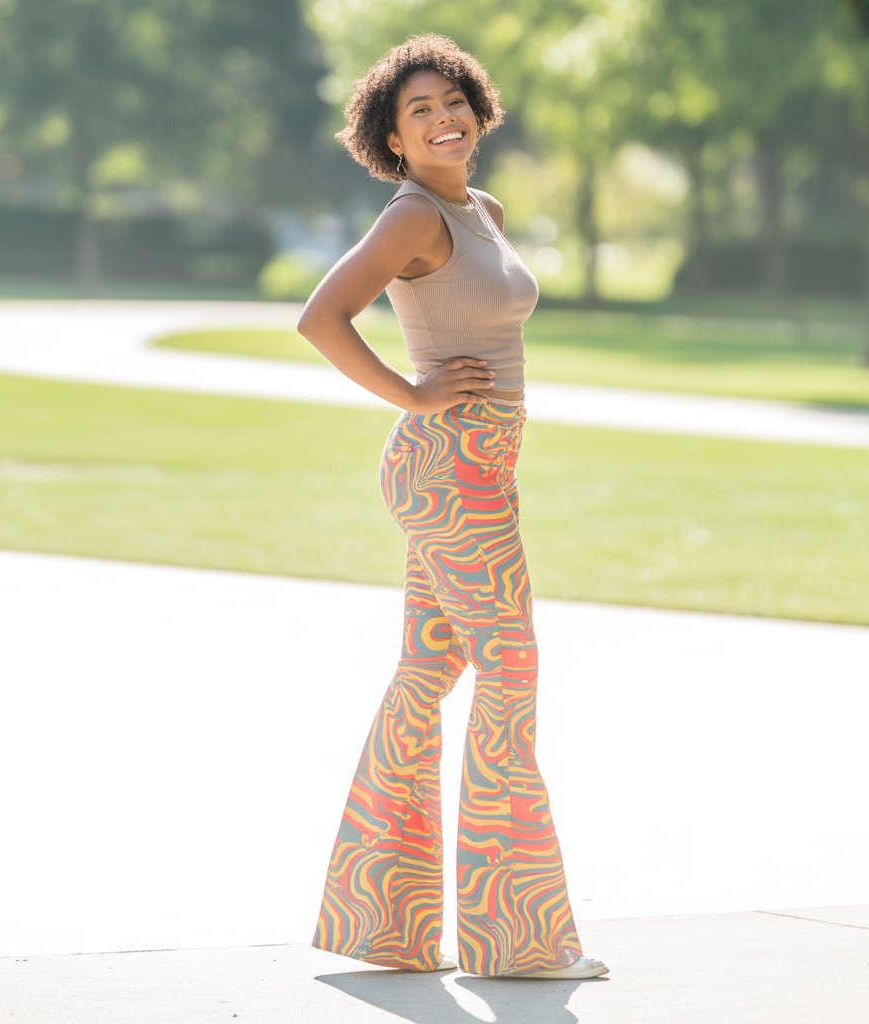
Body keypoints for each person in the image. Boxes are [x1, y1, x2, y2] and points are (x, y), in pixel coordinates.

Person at [297, 34, 608, 981]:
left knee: (429, 673)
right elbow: (320, 317)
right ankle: (516, 937)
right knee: (509, 668)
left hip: (483, 468)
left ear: (477, 108)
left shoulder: (482, 209)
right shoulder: (409, 218)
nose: (441, 118)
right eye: (417, 110)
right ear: (393, 137)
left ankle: (382, 921)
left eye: (451, 100)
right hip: (445, 468)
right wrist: (413, 393)